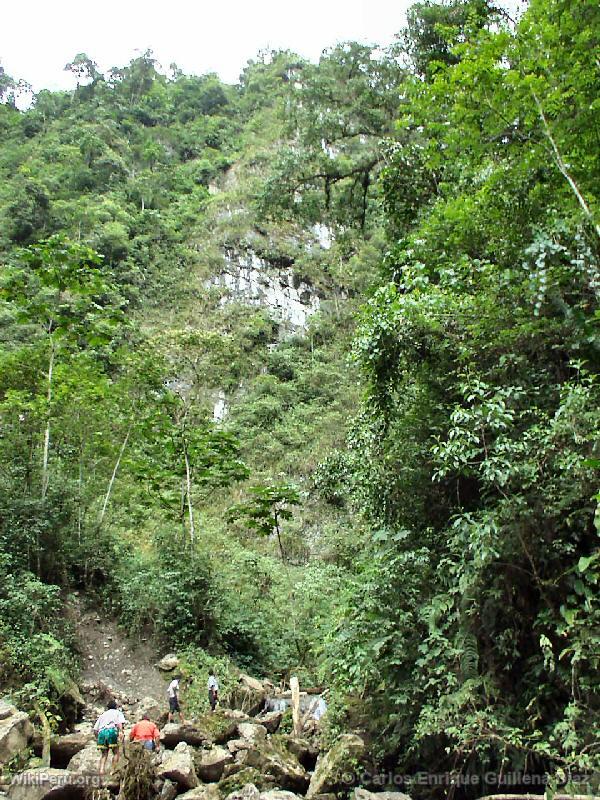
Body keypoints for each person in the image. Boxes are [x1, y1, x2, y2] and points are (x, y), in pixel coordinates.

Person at [93, 700, 125, 775]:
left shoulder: (103, 715)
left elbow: (95, 729)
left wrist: (97, 738)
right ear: (116, 707)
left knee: (104, 754)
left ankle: (101, 770)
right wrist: (120, 731)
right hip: (111, 731)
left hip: (101, 733)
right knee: (116, 752)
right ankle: (113, 770)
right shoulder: (118, 713)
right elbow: (119, 723)